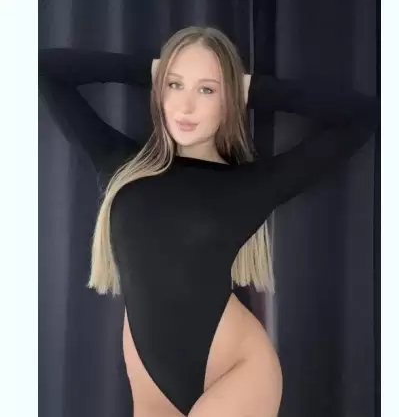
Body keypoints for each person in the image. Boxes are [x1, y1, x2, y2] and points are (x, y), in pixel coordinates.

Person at [38, 25, 380, 417]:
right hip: (151, 389)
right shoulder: (122, 165)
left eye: (207, 90)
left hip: (236, 370)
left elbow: (362, 115)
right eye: (175, 86)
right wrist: (154, 72)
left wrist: (243, 87)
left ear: (229, 99)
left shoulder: (252, 186)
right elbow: (44, 68)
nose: (186, 107)